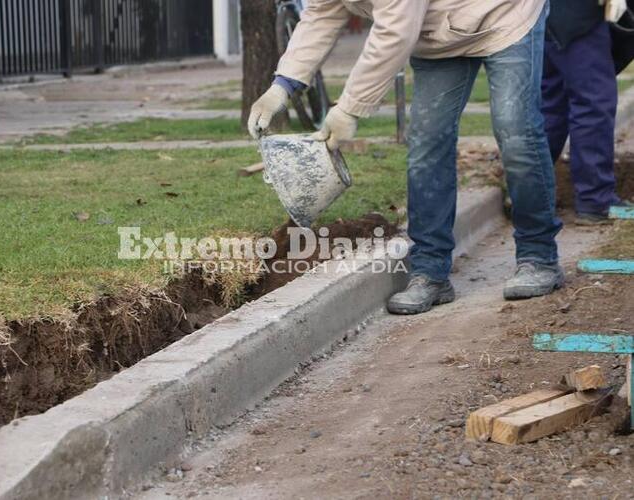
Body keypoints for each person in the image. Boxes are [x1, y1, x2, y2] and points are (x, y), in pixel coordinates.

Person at [248, 0, 564, 315]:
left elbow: (395, 31)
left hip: (506, 14)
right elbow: (320, 14)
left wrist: (349, 108)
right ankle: (430, 273)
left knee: (515, 131)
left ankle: (539, 258)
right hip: (438, 33)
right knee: (427, 143)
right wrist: (283, 85)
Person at [543, 0, 631, 225]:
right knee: (593, 100)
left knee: (552, 102)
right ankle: (596, 200)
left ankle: (528, 197)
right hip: (578, 12)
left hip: (544, 14)